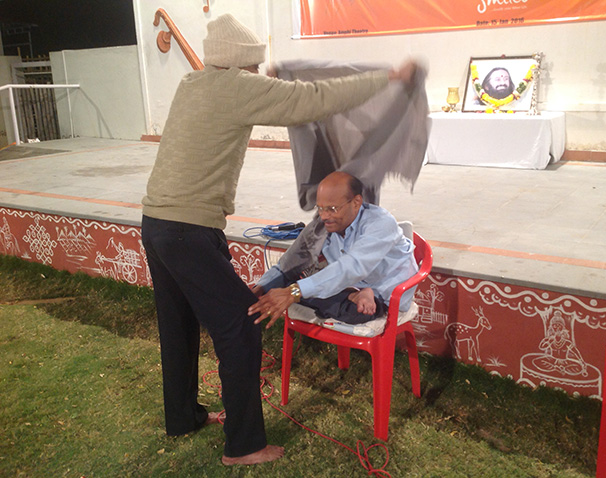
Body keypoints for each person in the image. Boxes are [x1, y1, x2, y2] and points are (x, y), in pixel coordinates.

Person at [140, 13, 419, 466]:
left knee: (177, 322)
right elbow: (315, 99)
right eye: (253, 67)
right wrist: (387, 77)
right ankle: (245, 445)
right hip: (189, 230)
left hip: (155, 223)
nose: (256, 74)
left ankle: (183, 416)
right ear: (243, 65)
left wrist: (281, 279)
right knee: (242, 325)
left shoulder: (193, 84)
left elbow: (303, 257)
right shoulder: (239, 87)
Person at [249, 171, 419, 329]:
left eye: (332, 209)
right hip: (351, 286)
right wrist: (262, 288)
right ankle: (352, 294)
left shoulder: (380, 223)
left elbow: (352, 267)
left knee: (356, 311)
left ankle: (354, 295)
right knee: (284, 285)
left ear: (356, 202)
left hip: (387, 294)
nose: (324, 216)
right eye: (320, 208)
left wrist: (294, 291)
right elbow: (289, 264)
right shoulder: (323, 225)